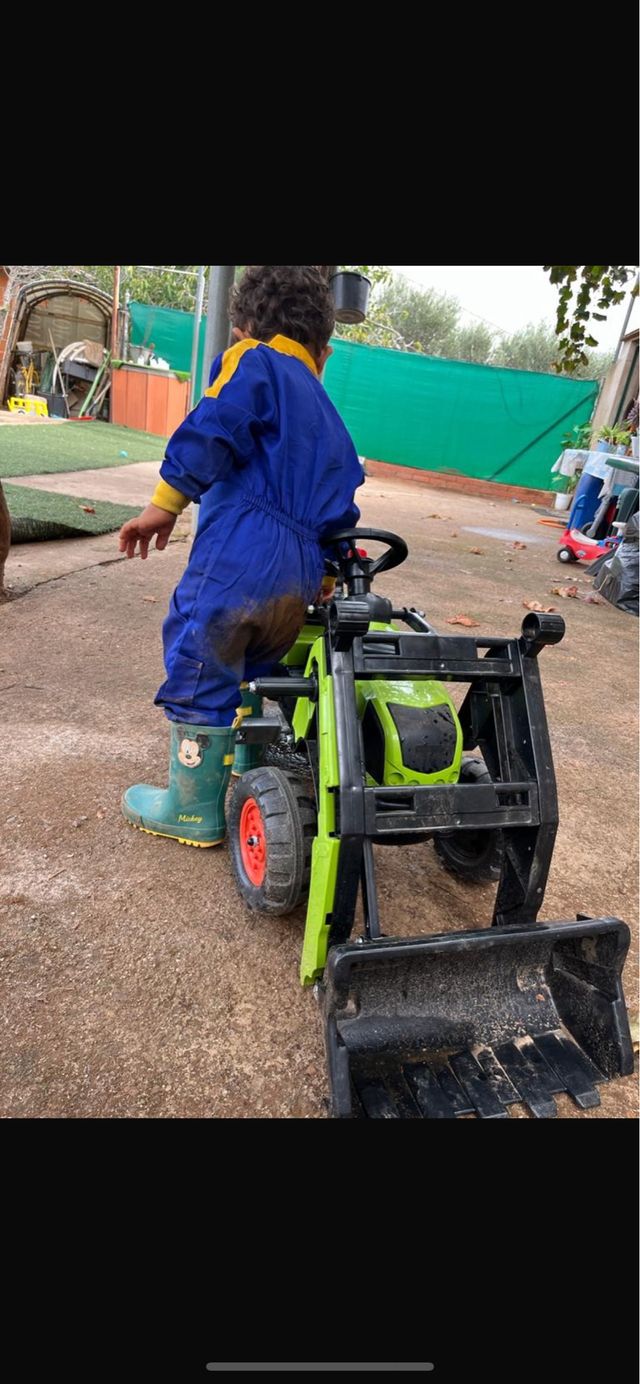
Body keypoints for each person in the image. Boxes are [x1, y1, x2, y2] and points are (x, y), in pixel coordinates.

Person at [118, 265, 364, 847]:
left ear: (243, 330)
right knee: (258, 667)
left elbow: (214, 426)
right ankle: (256, 765)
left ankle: (190, 807)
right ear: (322, 352)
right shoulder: (332, 419)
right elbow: (342, 506)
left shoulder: (252, 361)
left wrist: (165, 503)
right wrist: (327, 573)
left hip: (240, 558)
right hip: (299, 577)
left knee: (202, 653)